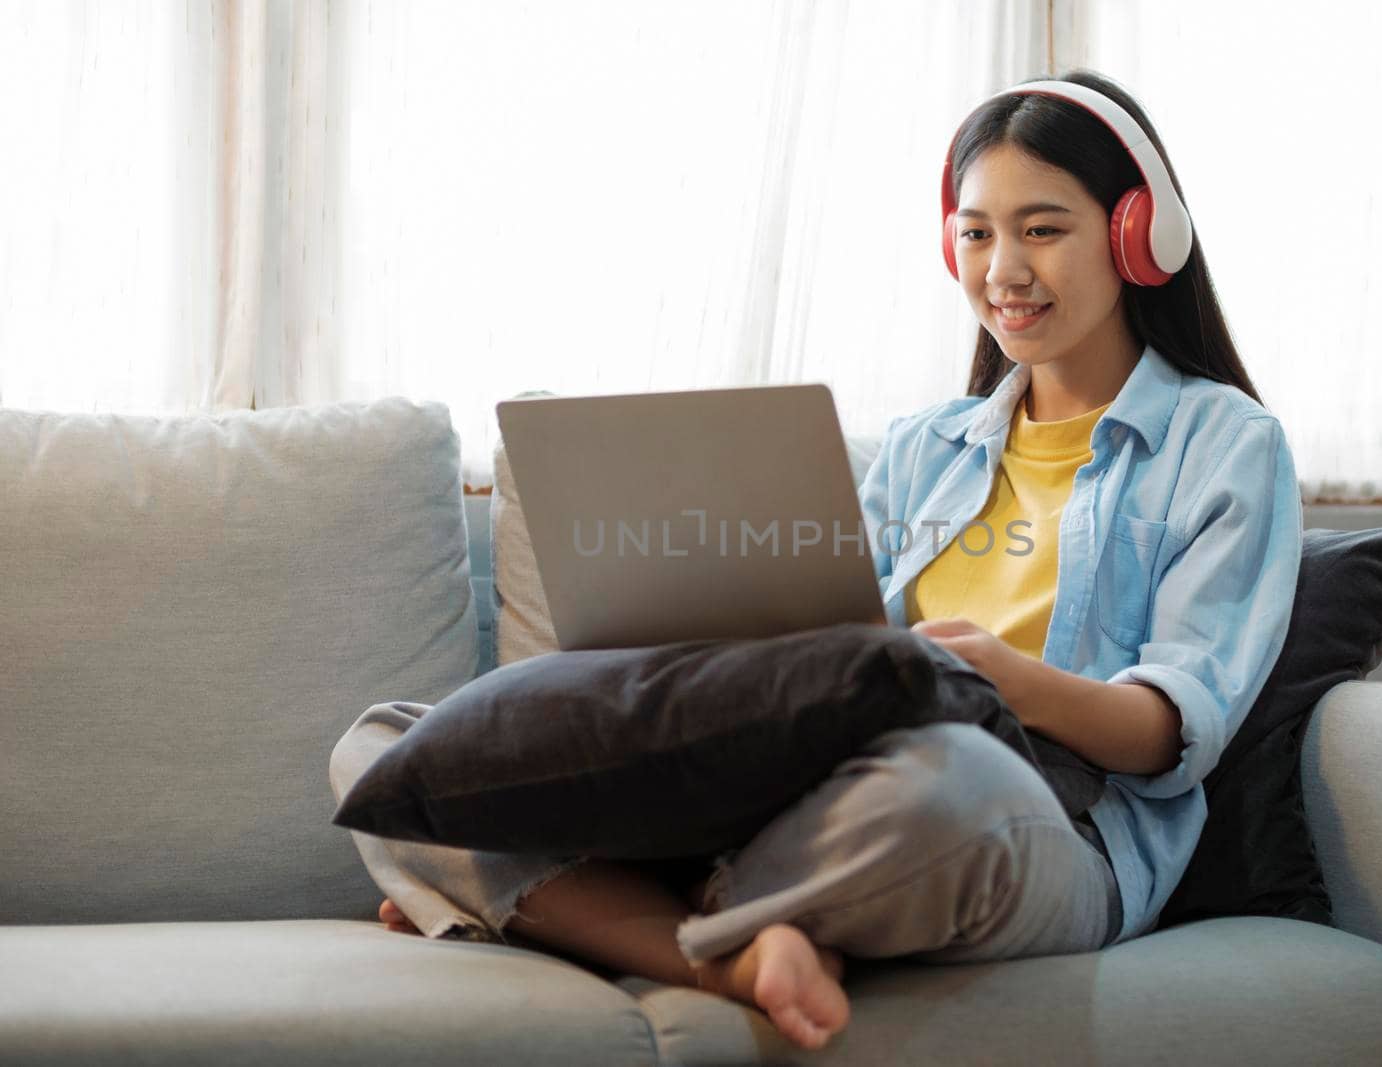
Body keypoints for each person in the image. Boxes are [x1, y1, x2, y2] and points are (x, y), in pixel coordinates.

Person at [342, 68, 1302, 1052]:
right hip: (814, 785)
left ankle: (586, 907)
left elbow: (1172, 728)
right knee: (389, 749)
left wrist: (1002, 678)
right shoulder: (926, 446)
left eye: (1042, 228)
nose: (1003, 267)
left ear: (1138, 233)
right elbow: (830, 638)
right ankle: (735, 948)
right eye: (975, 233)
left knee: (941, 783)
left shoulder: (1225, 444)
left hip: (1047, 822)